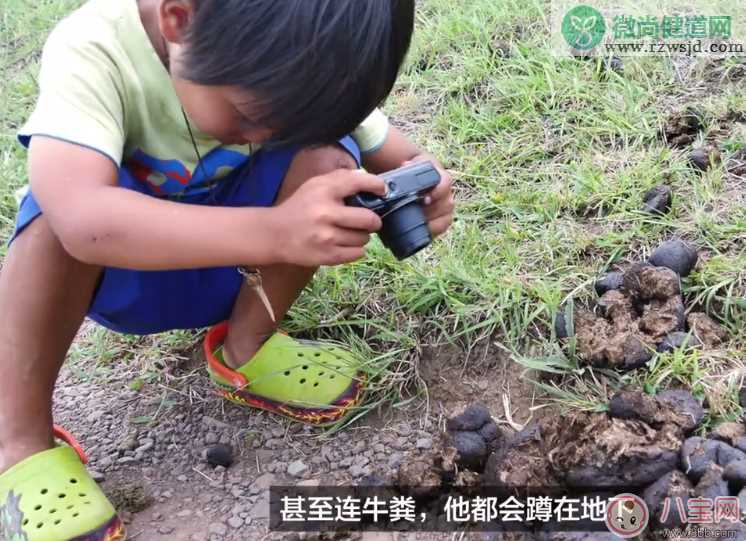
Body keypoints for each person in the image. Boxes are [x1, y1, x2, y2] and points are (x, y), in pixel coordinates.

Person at [0, 1, 455, 539]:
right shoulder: (95, 49)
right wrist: (278, 230)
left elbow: (398, 157)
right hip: (119, 268)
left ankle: (247, 348)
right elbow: (82, 220)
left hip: (237, 271)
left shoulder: (293, 60)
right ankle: (17, 443)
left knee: (330, 158)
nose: (266, 136)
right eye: (252, 114)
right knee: (53, 218)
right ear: (180, 20)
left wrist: (422, 182)